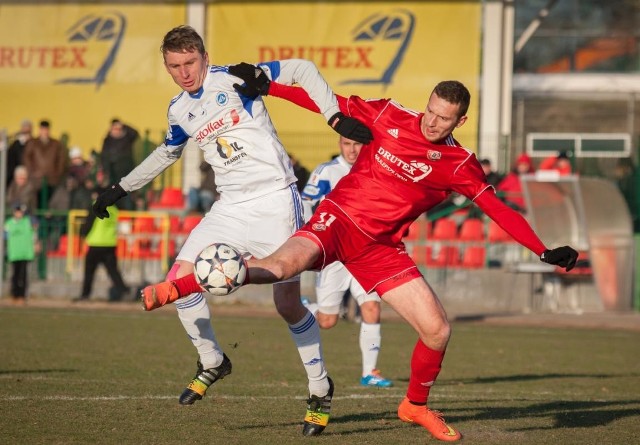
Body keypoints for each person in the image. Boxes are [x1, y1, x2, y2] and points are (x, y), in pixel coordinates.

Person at [142, 64, 579, 442]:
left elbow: (497, 207)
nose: (431, 123)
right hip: (337, 221)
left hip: (381, 248)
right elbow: (326, 101)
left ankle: (414, 406)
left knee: (438, 331)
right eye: (430, 111)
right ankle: (174, 288)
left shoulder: (460, 165)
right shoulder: (390, 114)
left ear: (459, 121)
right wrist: (268, 86)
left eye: (443, 119)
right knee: (279, 267)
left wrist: (542, 249)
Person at [92, 26, 370, 437]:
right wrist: (121, 188)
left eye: (190, 63)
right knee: (178, 279)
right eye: (175, 67)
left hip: (276, 199)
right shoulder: (178, 110)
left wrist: (335, 118)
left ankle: (319, 387)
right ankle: (212, 360)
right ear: (166, 67)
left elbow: (304, 69)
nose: (184, 73)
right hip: (229, 207)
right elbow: (166, 152)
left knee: (288, 305)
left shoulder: (236, 78)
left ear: (204, 56)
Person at [300, 136, 392, 388]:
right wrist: (315, 233)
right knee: (327, 321)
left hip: (366, 254)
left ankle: (370, 372)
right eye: (346, 144)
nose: (352, 150)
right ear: (340, 145)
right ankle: (304, 307)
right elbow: (305, 202)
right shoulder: (327, 171)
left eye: (357, 144)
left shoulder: (376, 168)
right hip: (335, 256)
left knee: (372, 308)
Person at [74, 194, 129, 302]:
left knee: (89, 272)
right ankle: (124, 291)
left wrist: (83, 234)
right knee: (113, 271)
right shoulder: (114, 209)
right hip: (110, 243)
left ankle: (85, 294)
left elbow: (88, 222)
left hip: (96, 243)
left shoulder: (96, 205)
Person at [22, 120, 67, 210]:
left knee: (50, 203)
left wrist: (56, 174)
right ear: (40, 130)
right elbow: (26, 159)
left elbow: (61, 160)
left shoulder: (56, 144)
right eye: (42, 129)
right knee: (34, 201)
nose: (44, 131)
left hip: (52, 180)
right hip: (36, 180)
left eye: (46, 129)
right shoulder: (32, 143)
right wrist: (32, 173)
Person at [4, 204, 39, 305]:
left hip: (25, 253)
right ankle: (15, 295)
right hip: (14, 253)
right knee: (15, 275)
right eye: (18, 211)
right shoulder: (9, 223)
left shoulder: (28, 221)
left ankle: (22, 296)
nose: (20, 214)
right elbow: (4, 237)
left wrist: (36, 244)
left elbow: (35, 228)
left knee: (23, 275)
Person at [100, 119, 139, 210]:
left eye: (119, 129)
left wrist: (124, 125)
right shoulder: (107, 141)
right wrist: (105, 171)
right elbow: (103, 157)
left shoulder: (126, 138)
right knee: (113, 198)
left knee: (126, 198)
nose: (117, 131)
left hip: (126, 174)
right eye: (114, 128)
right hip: (112, 176)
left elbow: (135, 133)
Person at [6, 119, 32, 187]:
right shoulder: (16, 144)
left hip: (29, 172)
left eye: (27, 127)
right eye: (24, 127)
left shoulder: (34, 143)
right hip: (15, 171)